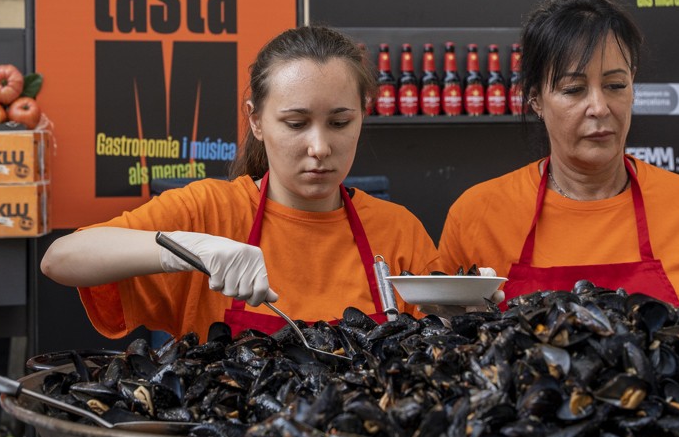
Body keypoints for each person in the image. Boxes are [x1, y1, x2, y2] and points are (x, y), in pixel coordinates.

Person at [41, 25, 439, 340]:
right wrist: (188, 248)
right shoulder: (208, 211)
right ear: (255, 121)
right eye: (296, 124)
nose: (319, 147)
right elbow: (61, 259)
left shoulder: (399, 231)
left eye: (340, 123)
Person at [437, 0, 679, 340]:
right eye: (574, 89)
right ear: (535, 99)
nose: (599, 107)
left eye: (615, 85)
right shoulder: (477, 214)